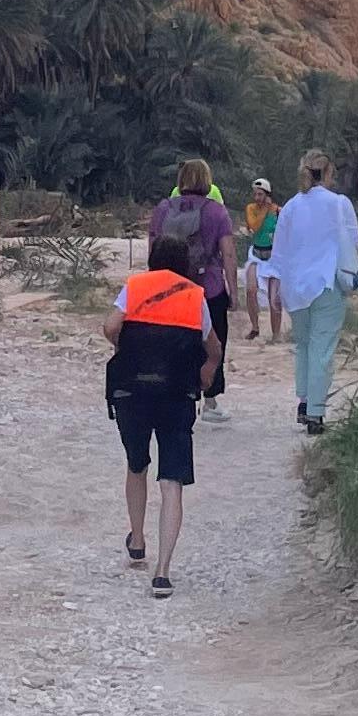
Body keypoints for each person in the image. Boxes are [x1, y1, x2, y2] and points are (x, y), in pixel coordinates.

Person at [107, 233, 216, 591]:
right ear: (185, 262)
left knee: (136, 464)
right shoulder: (195, 296)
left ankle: (137, 540)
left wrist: (130, 348)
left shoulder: (135, 286)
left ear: (153, 259)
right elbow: (212, 347)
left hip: (132, 391)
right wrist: (205, 376)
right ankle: (163, 571)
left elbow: (111, 326)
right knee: (172, 482)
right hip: (177, 394)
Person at [275, 148, 358, 432]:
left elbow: (280, 252)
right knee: (322, 348)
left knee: (303, 346)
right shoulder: (339, 204)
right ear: (327, 173)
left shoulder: (290, 207)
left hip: (295, 288)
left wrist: (277, 289)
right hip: (327, 283)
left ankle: (304, 401)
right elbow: (355, 242)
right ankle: (315, 411)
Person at [150, 155, 237, 408]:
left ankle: (174, 390)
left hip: (170, 288)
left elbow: (152, 251)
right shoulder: (217, 211)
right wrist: (233, 291)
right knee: (214, 339)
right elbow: (228, 254)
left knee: (172, 339)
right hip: (209, 287)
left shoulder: (163, 209)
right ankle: (209, 398)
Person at [241, 178, 283, 341]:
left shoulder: (278, 211)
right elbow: (254, 226)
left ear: (267, 194)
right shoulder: (251, 209)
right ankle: (255, 327)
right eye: (255, 194)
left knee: (274, 298)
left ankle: (276, 334)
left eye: (260, 194)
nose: (257, 198)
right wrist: (265, 210)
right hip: (257, 255)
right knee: (251, 290)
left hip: (273, 257)